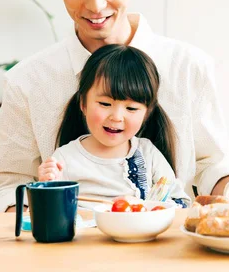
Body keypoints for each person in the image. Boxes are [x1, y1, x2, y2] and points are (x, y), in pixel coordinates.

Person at [0, 0, 229, 212]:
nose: (95, 5)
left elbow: (212, 165)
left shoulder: (188, 66)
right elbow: (11, 180)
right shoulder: (28, 80)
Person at [37, 44, 190, 208]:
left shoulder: (148, 154)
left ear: (147, 113)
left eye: (131, 108)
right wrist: (45, 187)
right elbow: (49, 212)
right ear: (83, 103)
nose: (116, 117)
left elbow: (181, 204)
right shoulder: (64, 158)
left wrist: (141, 205)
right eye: (104, 104)